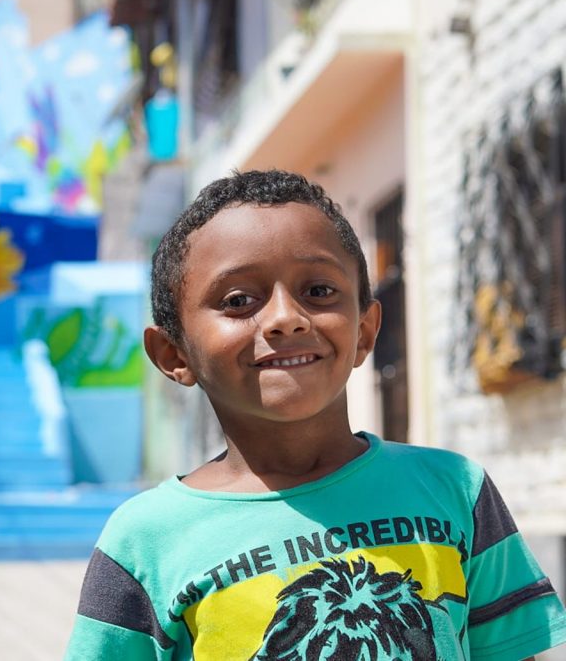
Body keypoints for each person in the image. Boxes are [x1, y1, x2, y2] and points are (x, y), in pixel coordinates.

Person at [64, 170, 566, 660]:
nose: (286, 318)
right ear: (175, 355)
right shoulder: (143, 542)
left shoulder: (456, 489)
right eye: (238, 300)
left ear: (365, 331)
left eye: (319, 292)